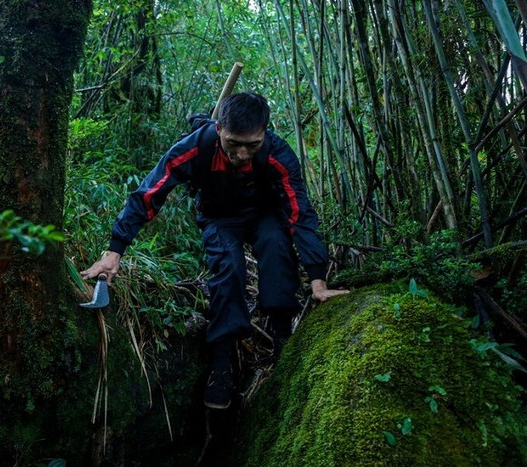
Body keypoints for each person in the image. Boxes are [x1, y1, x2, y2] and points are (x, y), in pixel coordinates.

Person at [81, 92, 349, 409]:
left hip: (266, 215)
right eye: (234, 142)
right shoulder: (196, 146)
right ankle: (222, 363)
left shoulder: (277, 154)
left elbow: (298, 212)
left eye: (252, 145)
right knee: (228, 268)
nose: (242, 153)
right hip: (220, 218)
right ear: (219, 127)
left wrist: (318, 280)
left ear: (265, 132)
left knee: (277, 249)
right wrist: (114, 252)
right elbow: (150, 193)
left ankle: (281, 339)